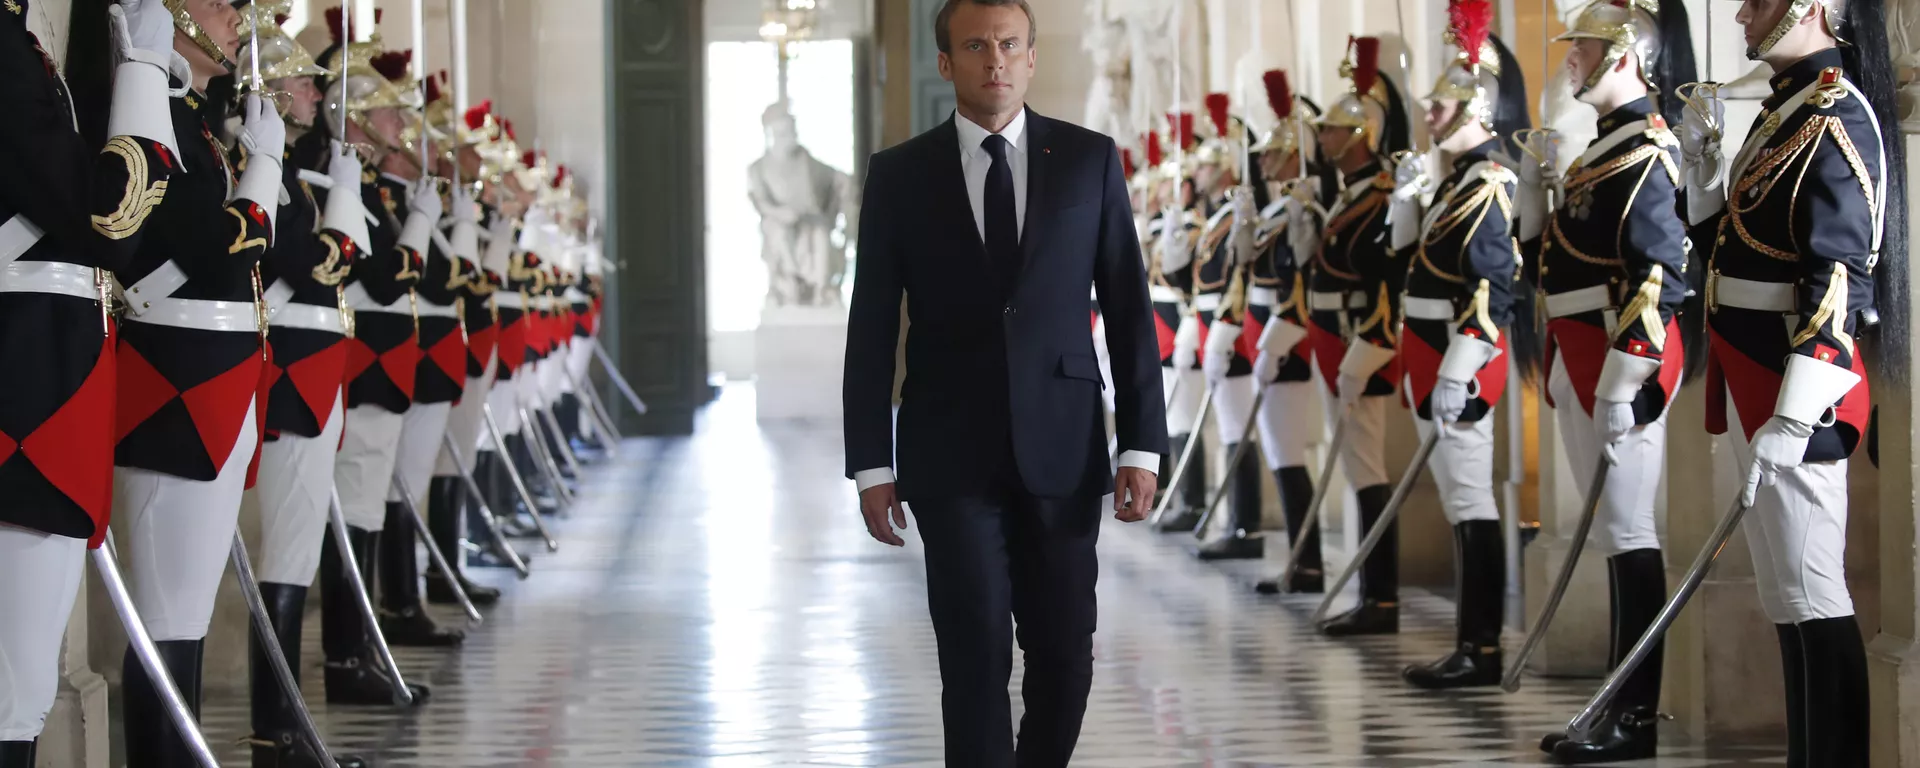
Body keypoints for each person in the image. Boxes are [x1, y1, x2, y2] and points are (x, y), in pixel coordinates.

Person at [840, 0, 1167, 764]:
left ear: (1031, 56)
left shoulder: (1090, 160)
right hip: (949, 453)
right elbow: (871, 329)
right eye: (976, 45)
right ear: (948, 63)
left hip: (1063, 446)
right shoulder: (900, 176)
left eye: (1010, 44)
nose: (996, 59)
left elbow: (1127, 307)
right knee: (975, 657)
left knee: (1064, 657)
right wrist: (871, 464)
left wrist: (1143, 447)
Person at [1681, 0, 1901, 762]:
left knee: (1815, 593)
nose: (1743, 12)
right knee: (1785, 596)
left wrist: (1798, 410)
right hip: (1754, 374)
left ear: (1812, 7)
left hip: (1794, 384)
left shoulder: (1840, 115)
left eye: (1761, 0)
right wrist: (1706, 181)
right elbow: (1735, 255)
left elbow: (1840, 280)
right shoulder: (1786, 112)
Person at [0, 0, 177, 763]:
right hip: (30, 391)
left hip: (35, 378)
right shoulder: (7, 53)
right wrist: (139, 74)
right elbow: (112, 219)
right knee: (17, 684)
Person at [111, 0, 285, 760]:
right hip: (174, 385)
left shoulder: (194, 122)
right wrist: (269, 171)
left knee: (184, 613)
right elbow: (214, 244)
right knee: (165, 617)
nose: (235, 23)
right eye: (222, 6)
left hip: (213, 381)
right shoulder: (157, 112)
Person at [1523, 0, 1694, 759]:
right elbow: (1554, 263)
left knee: (1631, 535)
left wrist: (1627, 379)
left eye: (1585, 50)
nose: (1572, 59)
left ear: (1623, 56)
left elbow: (1658, 278)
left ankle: (1633, 716)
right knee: (1611, 535)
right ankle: (1614, 700)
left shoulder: (1648, 148)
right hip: (1576, 355)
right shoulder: (1599, 150)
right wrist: (1533, 198)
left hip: (1615, 363)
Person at [235, 4, 374, 765]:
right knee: (286, 551)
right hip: (289, 375)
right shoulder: (264, 167)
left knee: (298, 547)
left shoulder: (289, 173)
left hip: (316, 372)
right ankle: (275, 736)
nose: (316, 94)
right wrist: (346, 208)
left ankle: (286, 727)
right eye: (300, 81)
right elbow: (315, 264)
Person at [1391, 14, 1530, 688]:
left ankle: (1481, 646)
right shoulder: (1454, 183)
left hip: (1457, 360)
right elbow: (1407, 262)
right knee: (1456, 502)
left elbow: (1490, 290)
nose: (1430, 112)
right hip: (1426, 352)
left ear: (1475, 105)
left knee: (1473, 503)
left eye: (1441, 103)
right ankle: (1470, 642)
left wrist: (1459, 368)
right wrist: (1406, 201)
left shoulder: (1490, 185)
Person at [309, 6, 435, 703]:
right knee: (353, 509)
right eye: (386, 115)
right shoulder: (339, 179)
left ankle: (361, 648)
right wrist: (419, 223)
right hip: (363, 366)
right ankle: (346, 657)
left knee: (368, 509)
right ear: (353, 114)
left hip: (383, 367)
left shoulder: (365, 182)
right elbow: (386, 276)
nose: (400, 127)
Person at [1306, 36, 1412, 636]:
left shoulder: (1382, 195)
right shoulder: (1346, 193)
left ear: (1360, 136)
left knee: (1367, 466)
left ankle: (1383, 599)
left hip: (1358, 342)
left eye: (1331, 131)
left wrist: (1368, 351)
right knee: (1354, 464)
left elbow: (1385, 287)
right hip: (1332, 338)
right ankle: (1374, 592)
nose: (1322, 140)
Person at [1246, 70, 1326, 589]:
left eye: (1274, 154)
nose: (1264, 162)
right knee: (1279, 454)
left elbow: (1303, 281)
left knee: (1288, 455)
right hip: (1268, 335)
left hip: (1289, 342)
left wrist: (1275, 344)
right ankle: (1303, 560)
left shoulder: (1305, 205)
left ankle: (1309, 563)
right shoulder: (1279, 204)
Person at [1189, 92, 1268, 559]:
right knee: (1231, 427)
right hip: (1216, 326)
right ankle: (1238, 523)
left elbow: (1239, 274)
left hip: (1233, 330)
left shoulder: (1237, 213)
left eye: (1203, 166)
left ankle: (1247, 528)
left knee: (1240, 430)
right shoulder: (1216, 217)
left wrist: (1229, 324)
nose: (1196, 175)